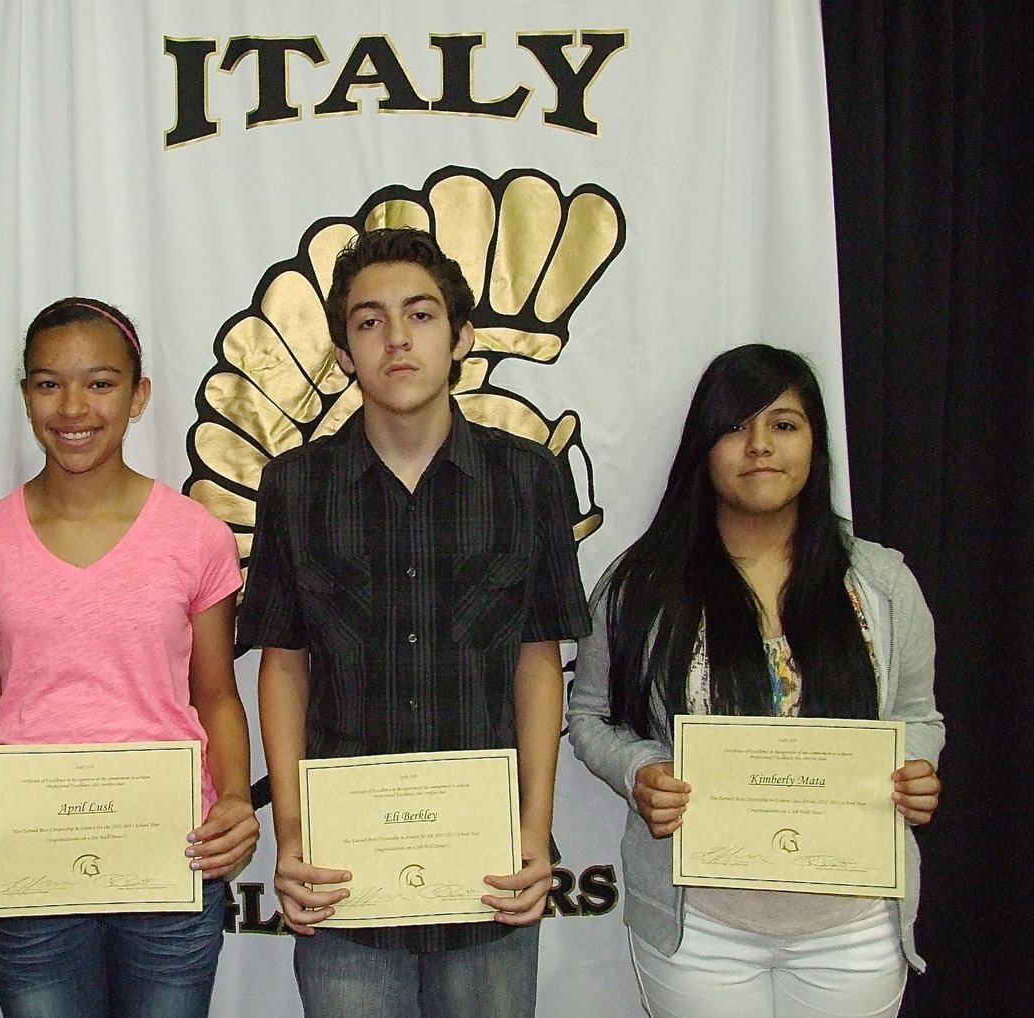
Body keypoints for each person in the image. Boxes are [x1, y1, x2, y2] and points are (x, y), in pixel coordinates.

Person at [238, 227, 590, 1017]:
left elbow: (538, 660)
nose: (396, 338)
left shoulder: (528, 478)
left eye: (421, 315)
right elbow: (284, 665)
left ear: (461, 337)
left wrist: (534, 827)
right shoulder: (295, 486)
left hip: (490, 875)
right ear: (343, 353)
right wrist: (292, 834)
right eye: (369, 321)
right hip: (342, 878)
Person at [0, 297, 259, 1018]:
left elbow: (217, 695)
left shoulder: (195, 537)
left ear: (139, 395)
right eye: (48, 384)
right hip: (27, 863)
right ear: (25, 394)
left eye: (100, 383)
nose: (73, 408)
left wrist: (232, 801)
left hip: (173, 854)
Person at [567, 344, 943, 1018]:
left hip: (854, 924)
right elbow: (590, 714)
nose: (760, 446)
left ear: (815, 444)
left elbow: (919, 714)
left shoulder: (882, 584)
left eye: (784, 425)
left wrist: (914, 767)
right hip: (698, 929)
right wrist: (641, 770)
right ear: (703, 447)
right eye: (736, 426)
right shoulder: (640, 585)